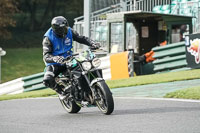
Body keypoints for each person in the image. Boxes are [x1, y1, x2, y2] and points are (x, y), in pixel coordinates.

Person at [42, 16, 100, 100]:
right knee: (47, 79)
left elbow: (81, 38)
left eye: (65, 28)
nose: (64, 31)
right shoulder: (48, 38)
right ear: (55, 30)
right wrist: (55, 58)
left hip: (69, 58)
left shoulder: (69, 31)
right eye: (60, 30)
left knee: (85, 67)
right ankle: (61, 92)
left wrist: (92, 43)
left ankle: (88, 88)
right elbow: (46, 55)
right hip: (55, 63)